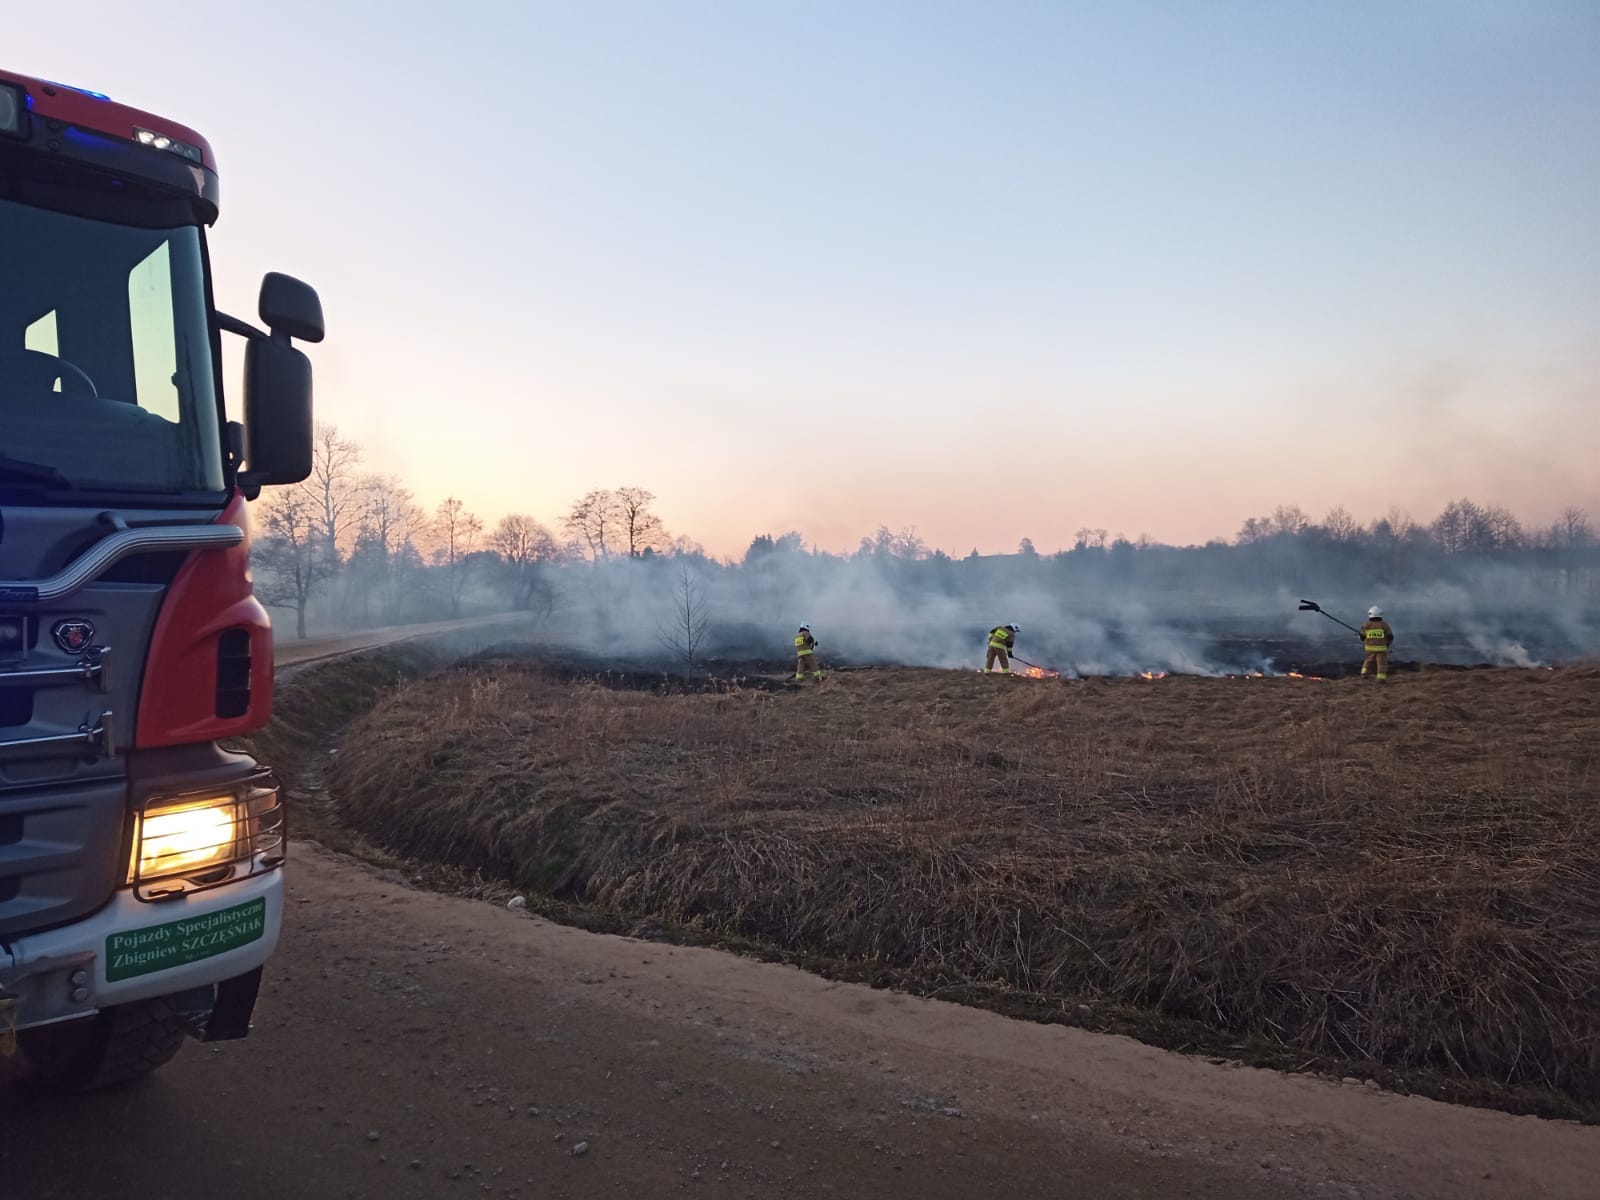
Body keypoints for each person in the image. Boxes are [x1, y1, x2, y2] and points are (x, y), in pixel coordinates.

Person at [1359, 606, 1394, 681]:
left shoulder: (1366, 624)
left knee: (1368, 660)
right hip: (1381, 648)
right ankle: (1381, 678)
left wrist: (1362, 636)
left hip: (1369, 648)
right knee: (1381, 663)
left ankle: (1364, 673)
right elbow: (1390, 636)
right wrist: (1388, 644)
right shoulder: (1384, 625)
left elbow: (1362, 637)